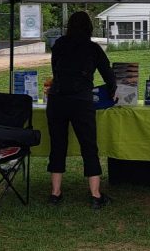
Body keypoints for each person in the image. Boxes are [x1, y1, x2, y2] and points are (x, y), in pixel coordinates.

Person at [46, 11, 116, 209]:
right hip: (81, 101)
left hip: (57, 99)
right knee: (88, 146)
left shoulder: (59, 44)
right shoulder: (93, 48)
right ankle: (95, 195)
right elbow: (108, 73)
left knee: (57, 144)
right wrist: (112, 91)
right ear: (89, 28)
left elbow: (55, 70)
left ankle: (55, 193)